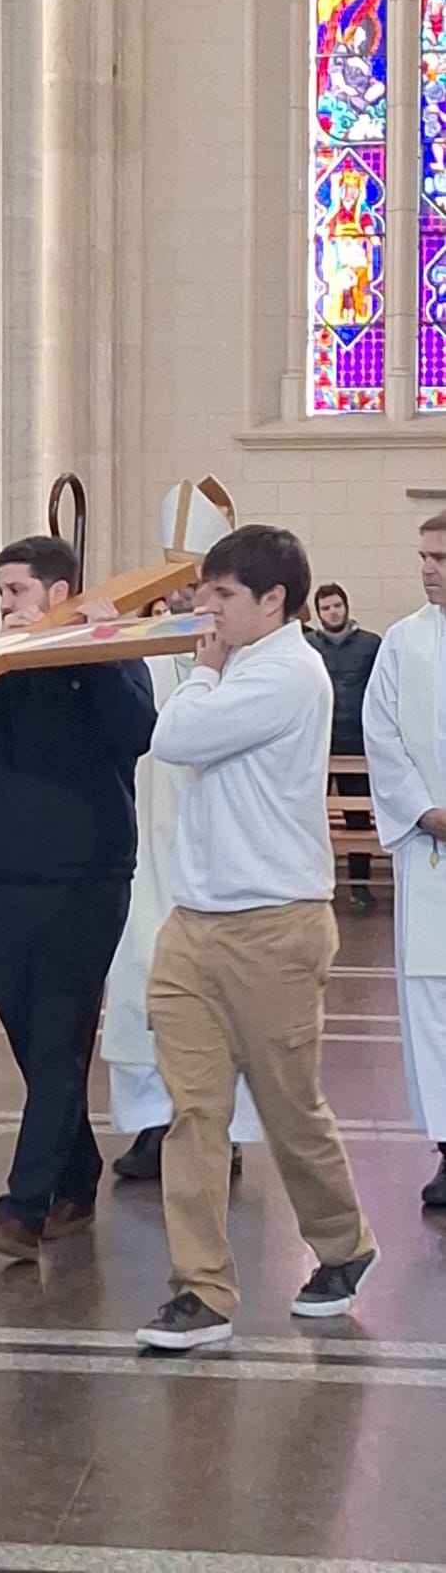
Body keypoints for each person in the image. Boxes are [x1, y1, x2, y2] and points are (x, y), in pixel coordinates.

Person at [136, 526, 377, 1352]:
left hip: (275, 924)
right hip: (196, 924)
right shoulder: (234, 664)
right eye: (203, 592)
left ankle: (344, 1245)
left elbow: (174, 738)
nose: (206, 609)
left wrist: (199, 667)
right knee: (193, 1111)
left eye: (224, 596)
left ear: (274, 600)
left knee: (286, 1105)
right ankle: (201, 1290)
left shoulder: (289, 672)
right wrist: (199, 659)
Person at [0, 536, 157, 1262]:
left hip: (88, 872)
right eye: (2, 591)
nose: (6, 603)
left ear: (57, 589)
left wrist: (96, 649)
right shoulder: (3, 661)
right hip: (11, 869)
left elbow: (139, 733)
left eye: (17, 591)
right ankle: (76, 1172)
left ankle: (24, 1209)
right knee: (21, 1021)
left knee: (56, 1034)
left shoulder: (112, 653)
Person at [102, 478, 262, 1183]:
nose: (179, 599)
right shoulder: (142, 648)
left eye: (193, 584)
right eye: (172, 584)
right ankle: (151, 1123)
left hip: (211, 850)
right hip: (143, 849)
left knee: (213, 996)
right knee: (138, 981)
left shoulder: (249, 658)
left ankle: (217, 1128)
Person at [363, 510, 446, 1209]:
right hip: (432, 851)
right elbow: (380, 733)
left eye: (441, 557)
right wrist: (424, 809)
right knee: (433, 1005)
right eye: (424, 556)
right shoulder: (403, 642)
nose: (429, 569)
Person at [308, 582, 381, 912]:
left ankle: (360, 887)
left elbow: (381, 692)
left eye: (337, 605)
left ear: (346, 606)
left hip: (357, 744)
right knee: (308, 816)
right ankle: (310, 885)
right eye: (325, 608)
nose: (332, 612)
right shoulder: (307, 646)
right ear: (319, 612)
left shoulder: (370, 645)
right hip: (316, 744)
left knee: (358, 819)